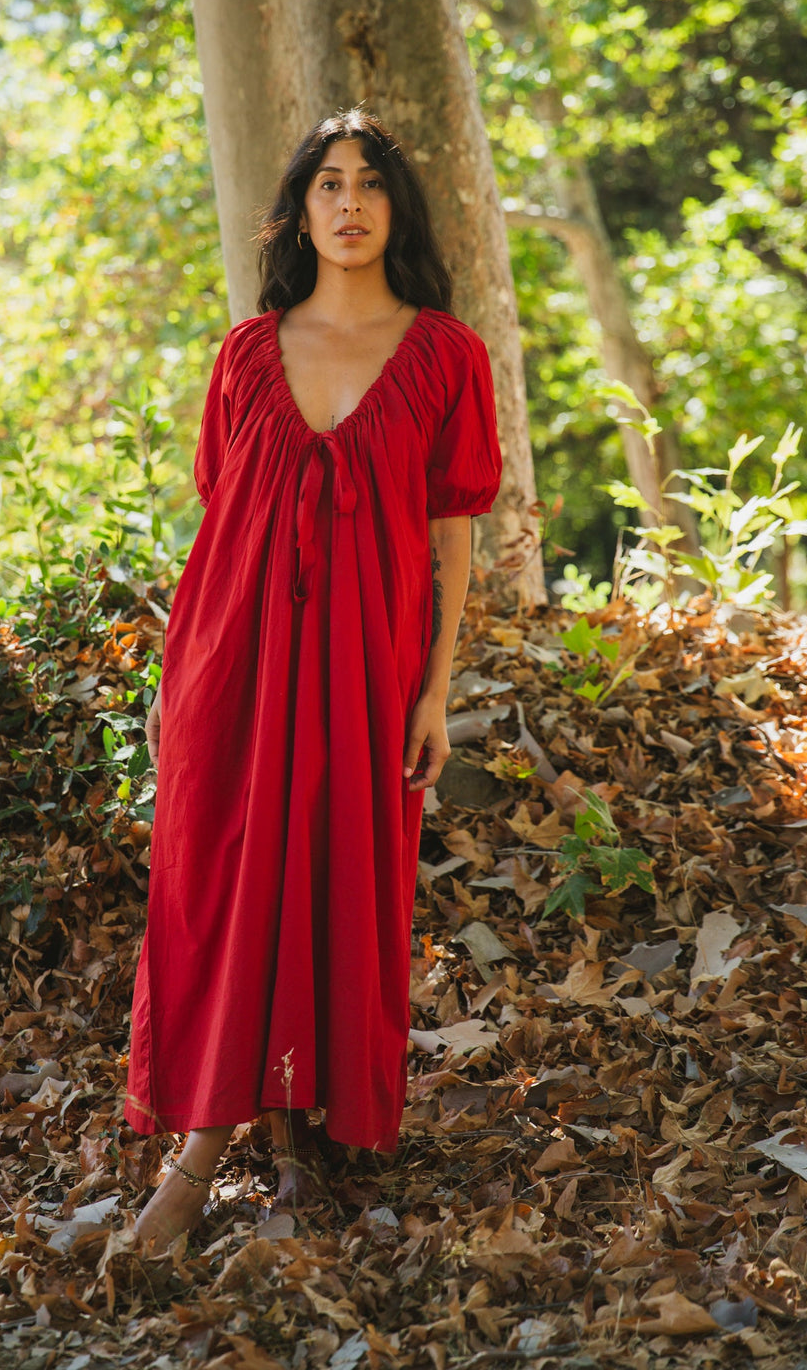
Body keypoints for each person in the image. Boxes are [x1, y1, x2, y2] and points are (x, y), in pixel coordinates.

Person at [125, 108, 502, 1251]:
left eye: (371, 185)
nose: (349, 203)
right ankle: (196, 1157)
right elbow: (221, 520)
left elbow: (451, 533)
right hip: (230, 664)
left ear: (398, 212)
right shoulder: (246, 353)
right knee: (227, 888)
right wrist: (175, 683)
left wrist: (434, 691)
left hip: (367, 669)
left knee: (338, 882)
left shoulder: (445, 355)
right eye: (328, 184)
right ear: (300, 211)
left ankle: (298, 1152)